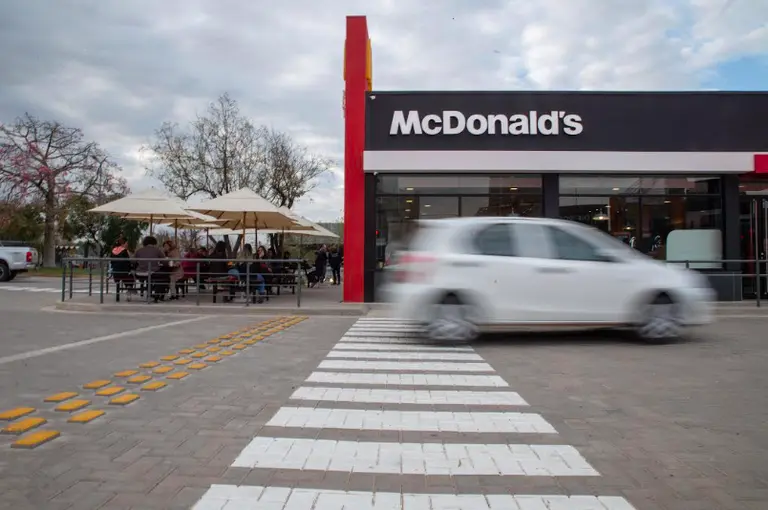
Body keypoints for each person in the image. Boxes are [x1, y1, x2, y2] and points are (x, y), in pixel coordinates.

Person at [133, 236, 167, 302]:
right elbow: (164, 261)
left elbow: (133, 262)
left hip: (139, 273)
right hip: (152, 272)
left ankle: (150, 292)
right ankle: (156, 294)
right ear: (154, 242)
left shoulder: (139, 250)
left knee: (154, 277)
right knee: (164, 277)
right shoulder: (157, 250)